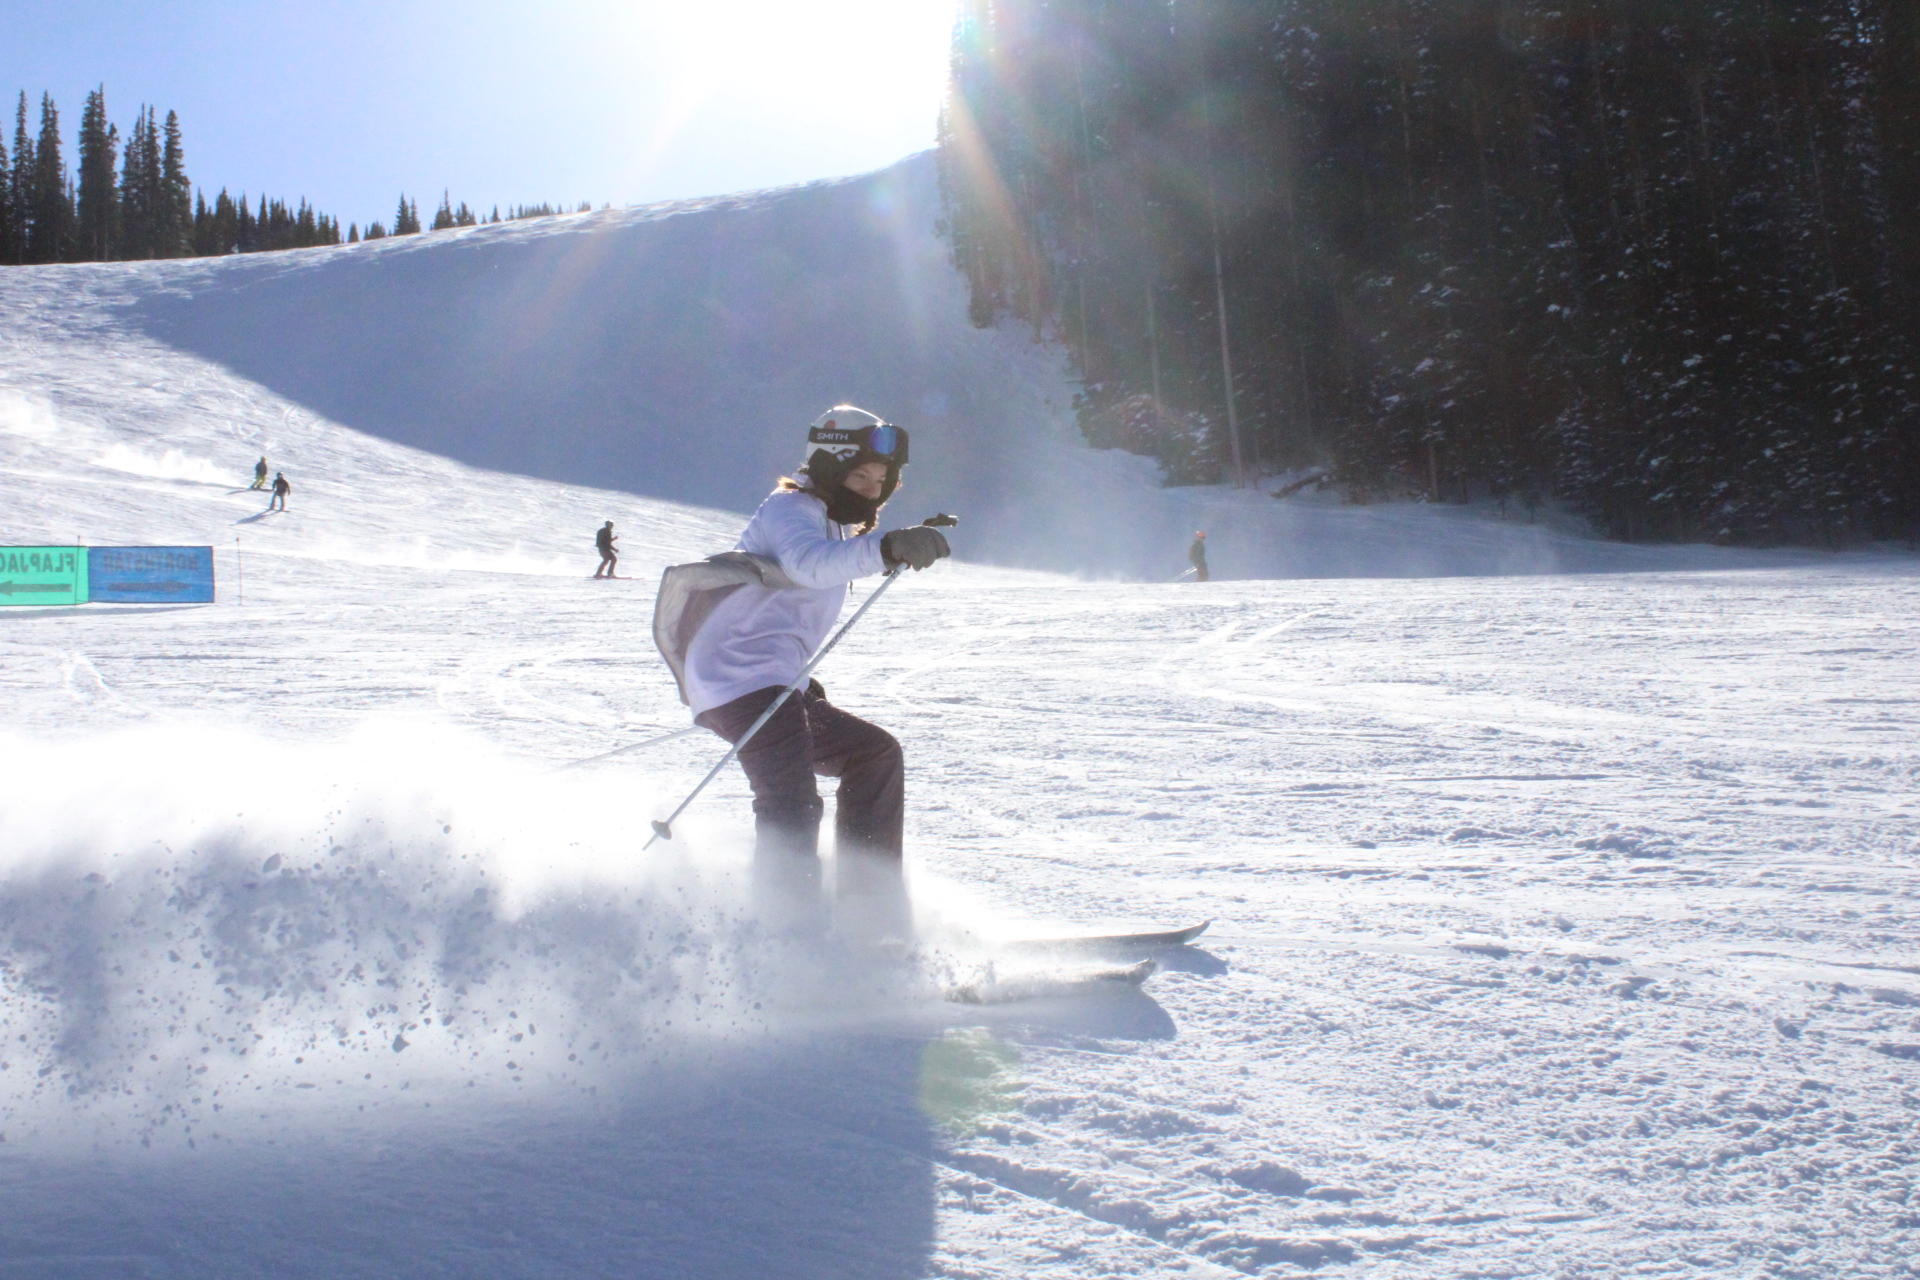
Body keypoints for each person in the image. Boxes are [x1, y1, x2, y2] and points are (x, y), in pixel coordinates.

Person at [677, 405, 950, 938]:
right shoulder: (790, 508)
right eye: (860, 475)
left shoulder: (826, 518)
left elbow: (799, 595)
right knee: (791, 797)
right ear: (828, 464)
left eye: (881, 481)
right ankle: (787, 940)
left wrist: (800, 681)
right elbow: (809, 565)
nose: (872, 490)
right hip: (738, 677)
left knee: (874, 755)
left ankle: (868, 916)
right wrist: (889, 546)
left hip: (769, 682)